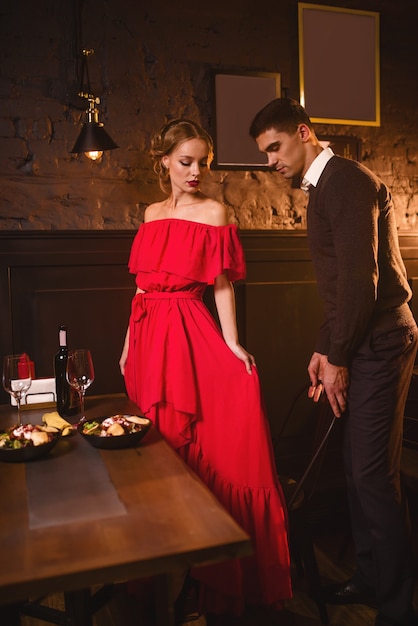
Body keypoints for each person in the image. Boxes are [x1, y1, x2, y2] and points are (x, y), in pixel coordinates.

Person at [249, 97, 418, 626]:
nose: (270, 160)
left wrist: (338, 356)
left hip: (383, 340)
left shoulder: (343, 180)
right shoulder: (324, 186)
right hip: (360, 339)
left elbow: (364, 282)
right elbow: (339, 286)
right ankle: (370, 578)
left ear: (303, 133)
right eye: (264, 152)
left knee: (372, 477)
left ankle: (396, 608)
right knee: (356, 469)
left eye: (275, 147)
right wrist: (325, 349)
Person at [119, 118, 292, 621]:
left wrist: (233, 343)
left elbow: (221, 285)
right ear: (165, 162)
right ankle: (164, 577)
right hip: (149, 336)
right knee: (160, 457)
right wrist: (128, 344)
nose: (196, 171)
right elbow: (140, 288)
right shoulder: (151, 213)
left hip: (191, 333)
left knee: (212, 450)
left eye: (203, 163)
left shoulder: (215, 211)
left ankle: (204, 582)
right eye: (185, 161)